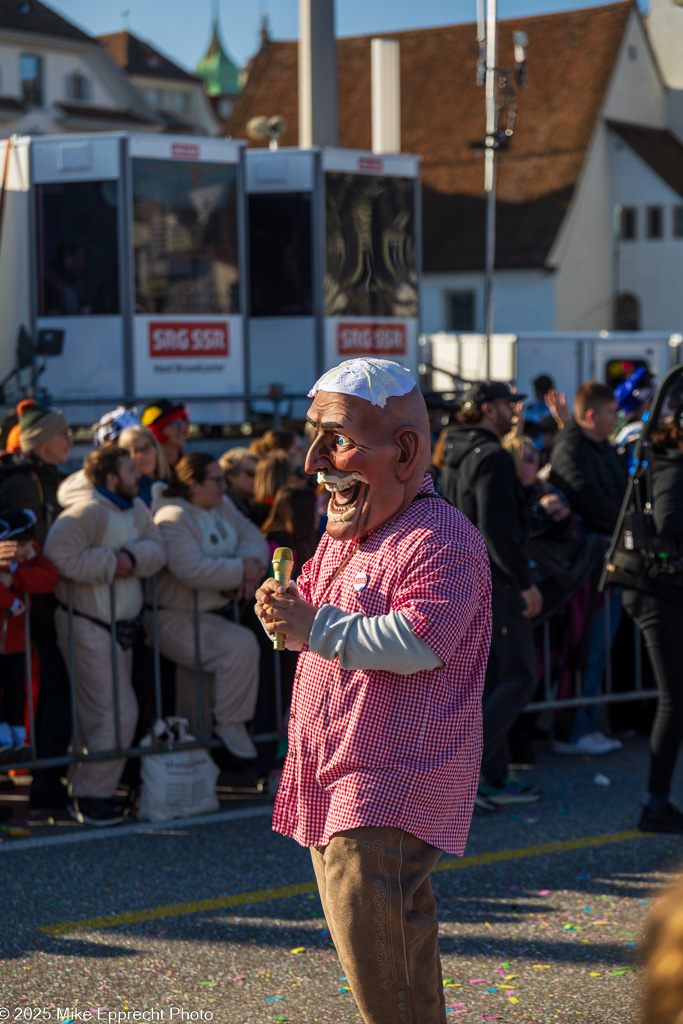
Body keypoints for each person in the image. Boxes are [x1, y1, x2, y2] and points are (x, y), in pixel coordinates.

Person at [255, 357, 491, 1024]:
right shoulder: (348, 537)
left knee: (377, 954)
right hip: (342, 774)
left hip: (388, 779)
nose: (311, 461)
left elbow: (422, 640)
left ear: (406, 450)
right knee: (394, 946)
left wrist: (315, 624)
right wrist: (286, 611)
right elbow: (316, 620)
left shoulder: (442, 536)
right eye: (313, 436)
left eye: (335, 438)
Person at [44, 446, 166, 826]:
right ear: (111, 478)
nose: (138, 476)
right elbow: (57, 556)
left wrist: (128, 556)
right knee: (115, 714)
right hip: (87, 623)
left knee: (105, 714)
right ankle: (88, 796)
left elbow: (157, 550)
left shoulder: (137, 509)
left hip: (120, 628)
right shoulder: (87, 511)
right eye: (130, 471)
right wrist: (116, 562)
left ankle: (90, 791)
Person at [440, 381, 542, 806]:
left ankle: (492, 776)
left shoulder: (453, 452)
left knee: (494, 679)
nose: (515, 412)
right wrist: (524, 582)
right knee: (518, 678)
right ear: (487, 409)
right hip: (494, 583)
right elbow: (497, 531)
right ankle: (473, 772)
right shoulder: (493, 456)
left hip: (466, 579)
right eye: (508, 404)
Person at [152, 453, 269, 760]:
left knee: (196, 701)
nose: (223, 486)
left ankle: (201, 770)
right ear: (193, 485)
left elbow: (253, 537)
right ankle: (230, 723)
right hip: (172, 617)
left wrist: (251, 565)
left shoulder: (221, 505)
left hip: (212, 614)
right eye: (216, 481)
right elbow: (190, 567)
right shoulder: (172, 517)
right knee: (240, 646)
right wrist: (241, 571)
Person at [0, 401, 73, 809]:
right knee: (48, 691)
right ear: (43, 439)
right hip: (23, 606)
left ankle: (45, 780)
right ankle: (43, 784)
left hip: (33, 602)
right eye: (63, 434)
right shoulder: (23, 482)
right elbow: (17, 549)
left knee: (49, 691)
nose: (69, 440)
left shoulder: (37, 476)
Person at [549, 381, 627, 755]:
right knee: (588, 648)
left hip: (604, 559)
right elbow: (586, 495)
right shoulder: (572, 447)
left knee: (599, 647)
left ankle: (587, 724)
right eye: (612, 412)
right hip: (588, 566)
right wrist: (626, 526)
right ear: (593, 415)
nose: (618, 419)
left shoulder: (597, 446)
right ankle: (576, 728)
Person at [621, 395, 683, 833]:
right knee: (674, 699)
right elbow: (671, 520)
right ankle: (654, 804)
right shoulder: (673, 464)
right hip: (656, 592)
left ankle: (658, 801)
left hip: (666, 590)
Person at [0, 508, 58, 763]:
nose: (27, 548)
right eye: (20, 544)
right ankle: (4, 740)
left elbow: (49, 578)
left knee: (16, 691)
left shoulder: (29, 561)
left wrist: (14, 580)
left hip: (15, 644)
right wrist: (11, 601)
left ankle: (16, 741)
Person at [261, 486, 318, 575]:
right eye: (314, 509)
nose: (319, 514)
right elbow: (281, 585)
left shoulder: (302, 540)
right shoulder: (279, 544)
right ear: (302, 514)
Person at [118, 424, 169, 507]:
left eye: (147, 447)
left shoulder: (172, 484)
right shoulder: (129, 497)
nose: (143, 455)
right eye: (136, 450)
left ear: (156, 449)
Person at [141, 399, 189, 470]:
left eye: (183, 423)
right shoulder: (150, 469)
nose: (182, 429)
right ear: (157, 430)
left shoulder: (189, 465)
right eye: (175, 425)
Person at [218, 447, 258, 519]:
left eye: (260, 474)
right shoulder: (222, 505)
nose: (258, 479)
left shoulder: (251, 503)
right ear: (231, 475)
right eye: (251, 473)